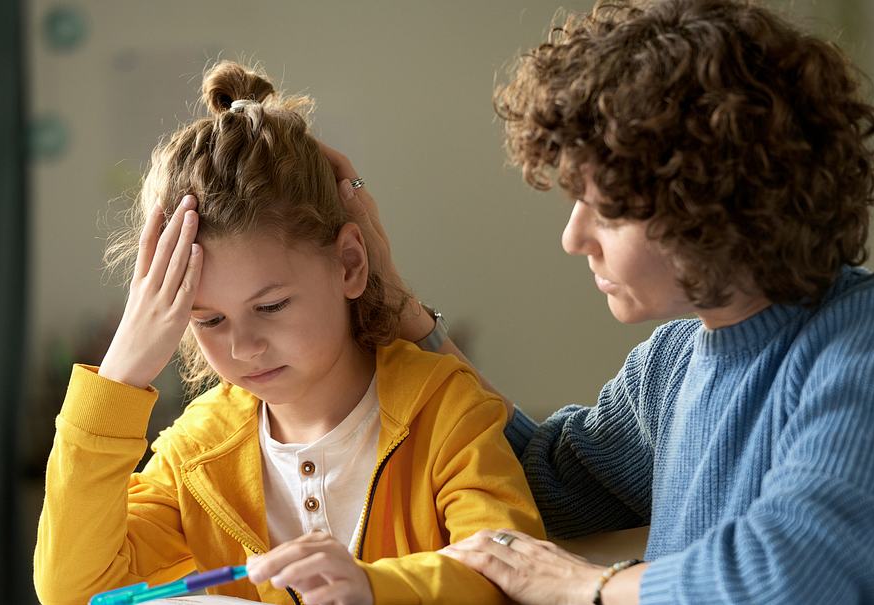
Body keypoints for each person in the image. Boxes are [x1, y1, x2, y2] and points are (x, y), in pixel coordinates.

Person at [323, 0, 874, 603]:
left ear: (711, 203)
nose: (573, 238)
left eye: (607, 209)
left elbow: (796, 575)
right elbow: (537, 481)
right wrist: (393, 297)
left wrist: (589, 587)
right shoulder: (673, 363)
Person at [32, 60, 544, 605]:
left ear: (349, 263)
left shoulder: (445, 408)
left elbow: (514, 576)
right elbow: (72, 591)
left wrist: (373, 588)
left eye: (271, 305)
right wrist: (120, 375)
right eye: (208, 320)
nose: (243, 346)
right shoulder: (196, 452)